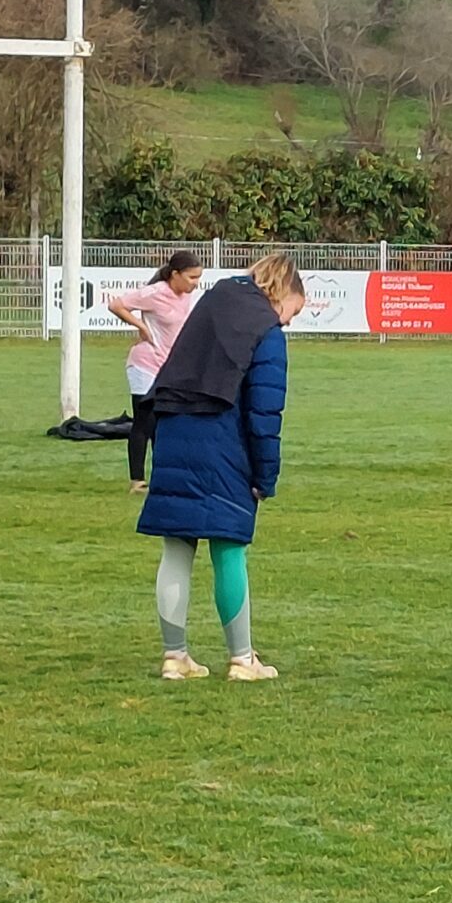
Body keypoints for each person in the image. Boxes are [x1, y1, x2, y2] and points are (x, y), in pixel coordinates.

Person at [137, 252, 305, 682]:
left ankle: (175, 656)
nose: (288, 323)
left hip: (172, 430)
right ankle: (243, 660)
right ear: (282, 294)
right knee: (229, 545)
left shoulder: (212, 301)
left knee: (176, 546)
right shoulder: (267, 330)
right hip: (222, 440)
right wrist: (265, 477)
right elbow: (265, 413)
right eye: (292, 313)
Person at [108, 250, 203, 495]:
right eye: (192, 277)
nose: (196, 283)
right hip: (145, 364)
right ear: (175, 274)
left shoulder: (185, 297)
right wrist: (140, 325)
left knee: (167, 424)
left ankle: (164, 478)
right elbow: (116, 305)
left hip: (169, 367)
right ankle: (137, 481)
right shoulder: (154, 293)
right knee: (144, 422)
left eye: (198, 278)